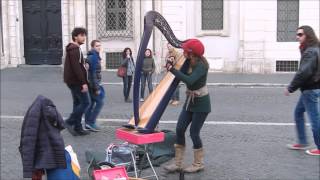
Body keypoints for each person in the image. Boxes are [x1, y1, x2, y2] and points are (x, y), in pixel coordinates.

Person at [164, 39, 211, 173]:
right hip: (190, 102)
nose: (183, 52)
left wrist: (172, 69)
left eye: (186, 51)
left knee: (194, 133)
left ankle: (198, 163)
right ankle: (178, 163)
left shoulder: (201, 65)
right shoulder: (188, 61)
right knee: (179, 129)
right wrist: (171, 58)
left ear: (192, 54)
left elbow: (189, 80)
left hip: (201, 103)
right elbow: (179, 70)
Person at [285, 25, 320, 156]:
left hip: (310, 89)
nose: (297, 37)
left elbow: (303, 72)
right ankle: (303, 141)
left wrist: (291, 87)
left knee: (315, 119)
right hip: (311, 88)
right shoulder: (313, 48)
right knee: (298, 113)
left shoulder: (310, 51)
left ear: (308, 36)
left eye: (300, 35)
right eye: (297, 34)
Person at [63, 27, 91, 136]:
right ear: (75, 37)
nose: (84, 37)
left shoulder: (74, 49)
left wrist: (85, 65)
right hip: (76, 82)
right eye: (81, 35)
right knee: (86, 102)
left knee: (78, 103)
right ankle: (69, 121)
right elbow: (76, 68)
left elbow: (78, 65)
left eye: (84, 35)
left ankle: (78, 127)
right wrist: (83, 83)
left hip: (72, 80)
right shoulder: (75, 49)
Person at [84, 40, 105, 132]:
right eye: (97, 46)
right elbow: (92, 74)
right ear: (92, 47)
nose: (99, 47)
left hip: (93, 84)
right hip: (93, 85)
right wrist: (96, 88)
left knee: (91, 103)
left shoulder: (95, 56)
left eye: (99, 45)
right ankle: (91, 122)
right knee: (100, 103)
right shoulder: (92, 57)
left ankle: (87, 123)